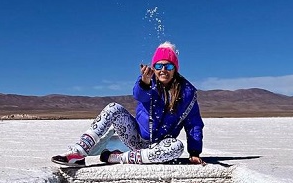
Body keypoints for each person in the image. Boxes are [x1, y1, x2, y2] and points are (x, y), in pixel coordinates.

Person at [52, 42, 205, 167]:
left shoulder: (187, 93)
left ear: (175, 69)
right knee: (113, 108)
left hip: (161, 146)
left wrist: (194, 153)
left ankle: (118, 158)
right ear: (154, 67)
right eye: (158, 66)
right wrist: (144, 82)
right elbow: (138, 94)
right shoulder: (148, 80)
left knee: (177, 147)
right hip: (137, 138)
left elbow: (194, 124)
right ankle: (79, 153)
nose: (163, 70)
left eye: (168, 66)